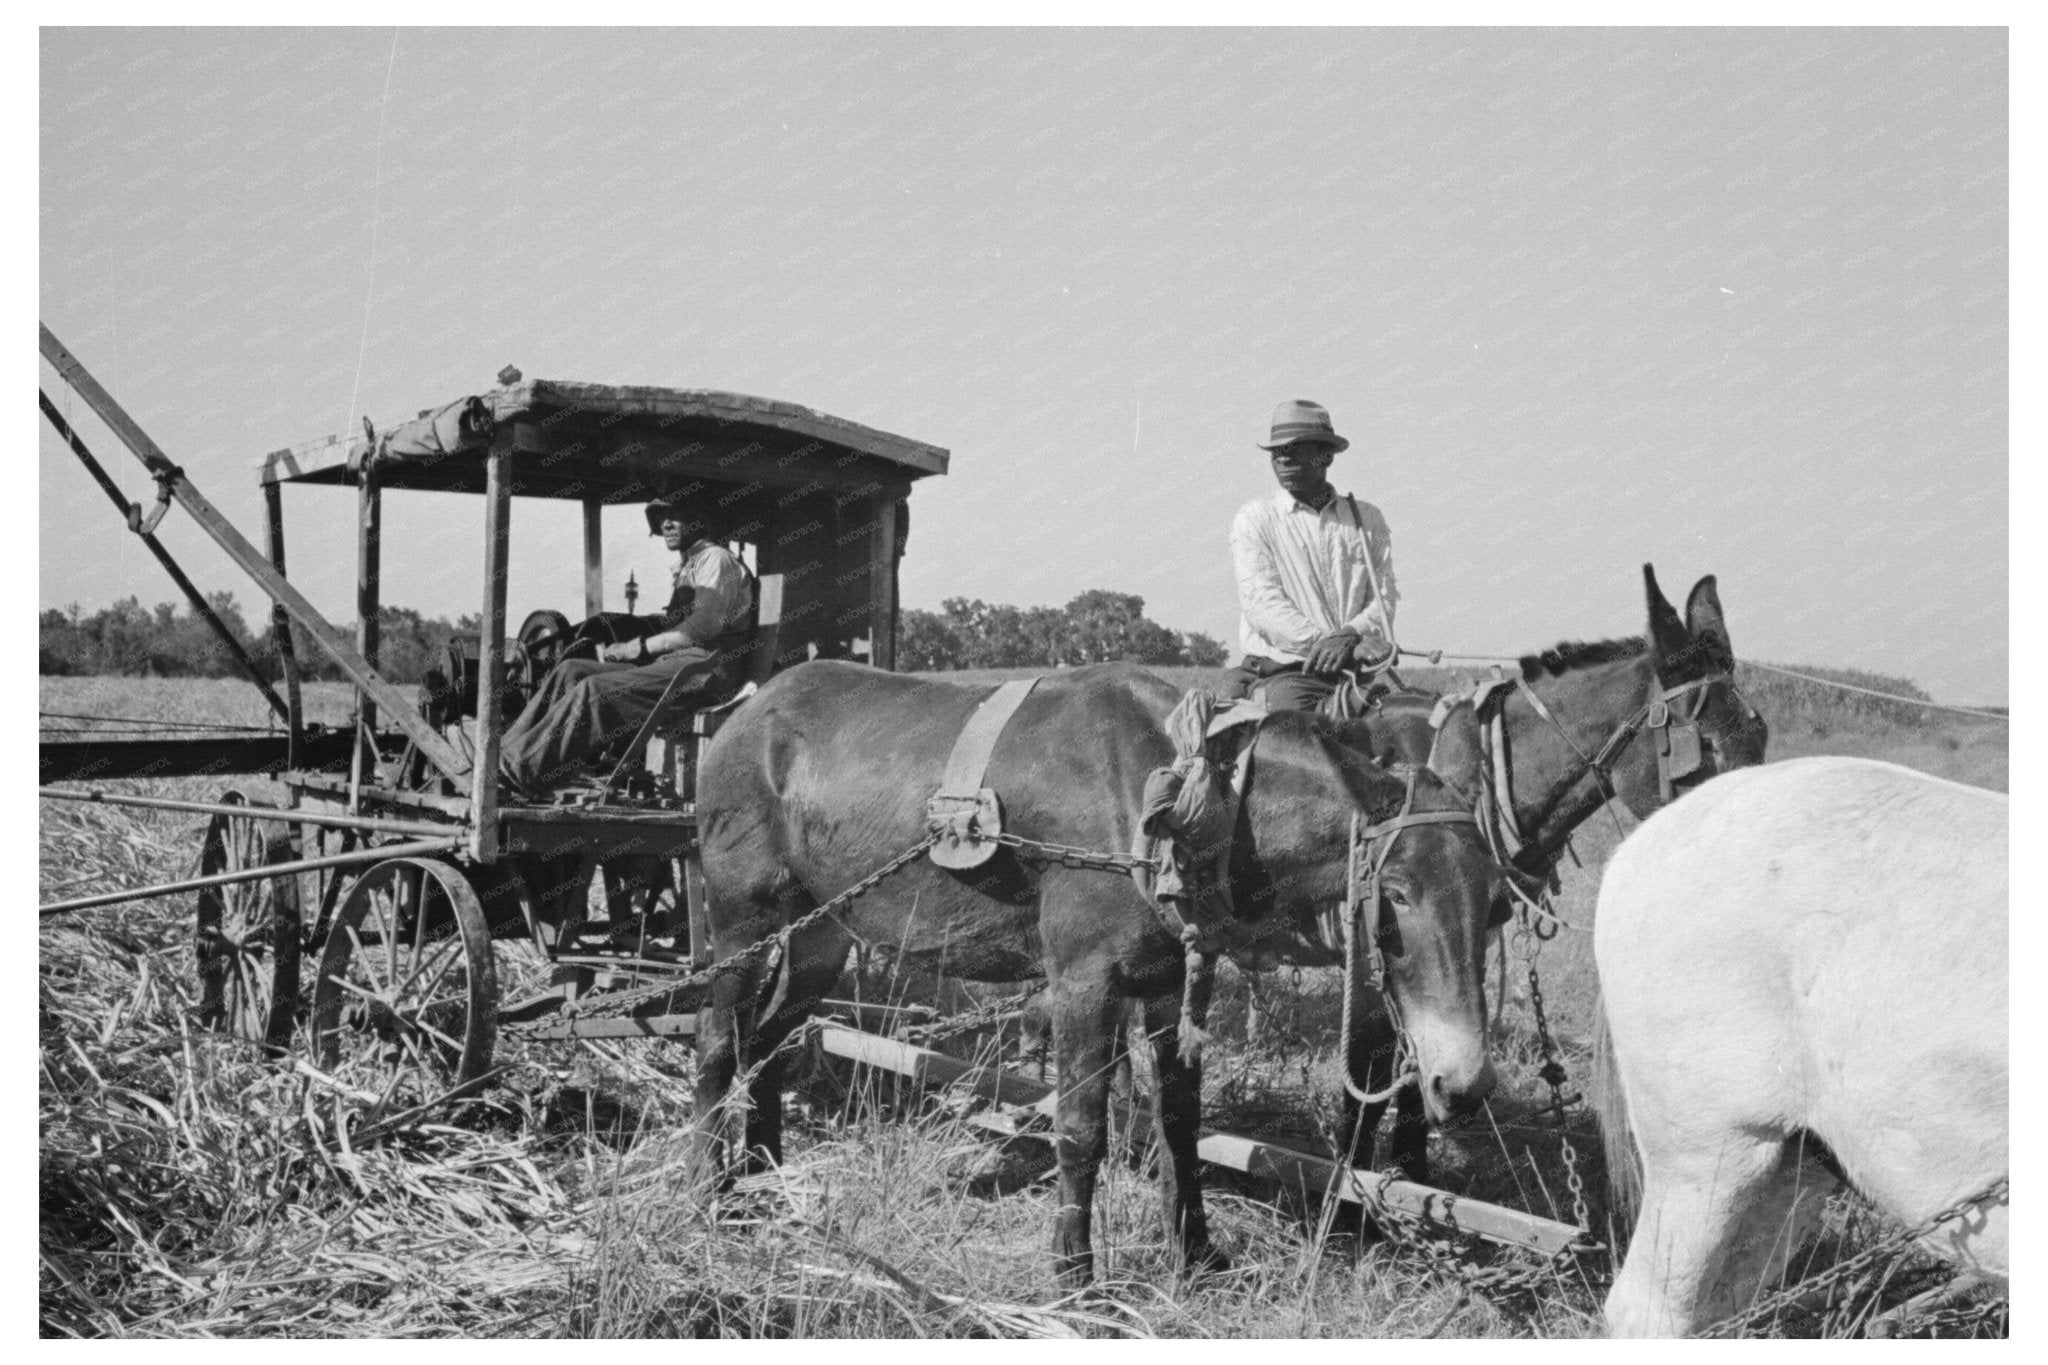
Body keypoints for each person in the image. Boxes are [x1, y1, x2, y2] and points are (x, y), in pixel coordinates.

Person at [500, 495, 755, 794]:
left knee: (593, 691)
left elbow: (704, 627)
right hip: (680, 663)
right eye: (662, 518)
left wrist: (639, 647)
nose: (666, 524)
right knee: (571, 671)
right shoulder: (690, 565)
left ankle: (521, 770)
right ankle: (504, 754)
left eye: (676, 515)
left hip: (707, 670)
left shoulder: (716, 559)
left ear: (700, 518)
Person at [1227, 399, 1398, 713]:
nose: (1282, 459)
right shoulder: (1255, 518)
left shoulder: (1367, 519)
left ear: (1326, 455)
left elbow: (1383, 600)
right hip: (1287, 674)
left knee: (1415, 721)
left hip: (1358, 674)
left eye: (1294, 449)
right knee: (1297, 746)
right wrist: (1341, 645)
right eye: (1276, 452)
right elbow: (1262, 604)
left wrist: (1351, 636)